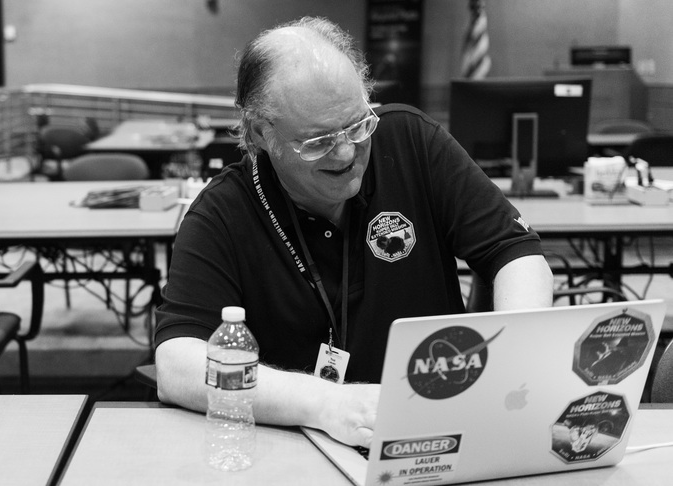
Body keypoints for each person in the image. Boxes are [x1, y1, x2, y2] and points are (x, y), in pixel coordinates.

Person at [154, 16, 553, 448]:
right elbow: (176, 365)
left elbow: (516, 254)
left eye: (357, 125)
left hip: (437, 430)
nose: (346, 153)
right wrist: (324, 404)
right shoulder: (222, 212)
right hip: (298, 446)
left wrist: (515, 356)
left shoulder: (412, 142)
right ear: (261, 134)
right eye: (318, 141)